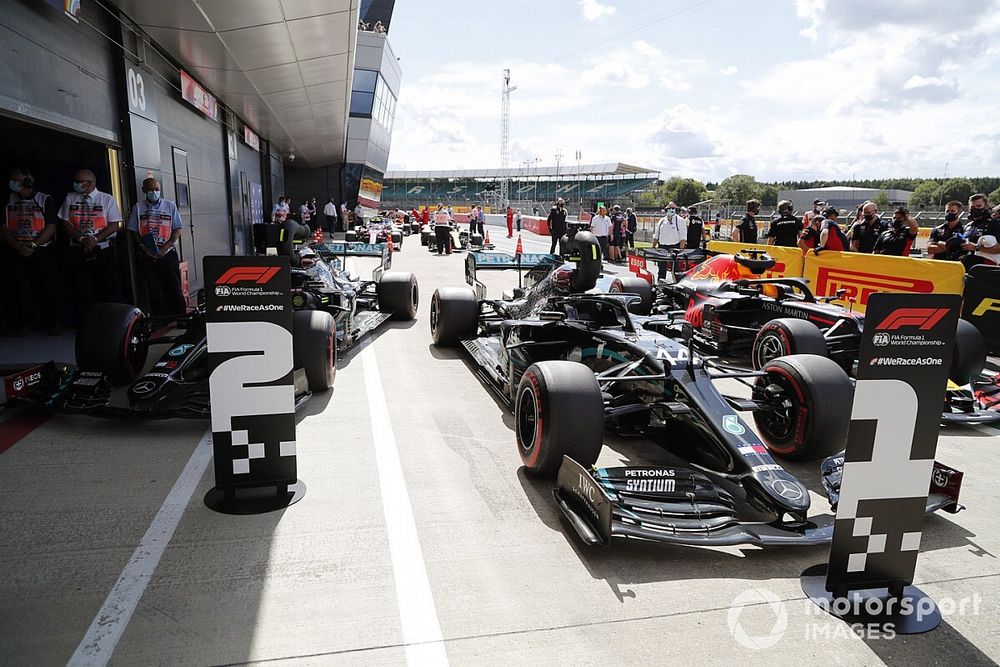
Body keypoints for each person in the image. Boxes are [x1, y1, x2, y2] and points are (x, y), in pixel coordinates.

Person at [58, 168, 123, 322]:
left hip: (103, 250)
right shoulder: (70, 198)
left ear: (91, 183)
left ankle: (108, 321)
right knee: (82, 287)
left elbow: (114, 224)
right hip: (78, 249)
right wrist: (81, 239)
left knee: (106, 287)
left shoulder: (106, 199)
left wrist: (95, 239)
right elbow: (65, 223)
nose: (76, 184)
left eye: (79, 182)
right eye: (75, 181)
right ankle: (86, 322)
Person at [2, 168, 60, 335]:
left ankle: (53, 322)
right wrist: (17, 246)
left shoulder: (44, 199)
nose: (13, 183)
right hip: (16, 249)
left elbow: (50, 227)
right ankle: (23, 323)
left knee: (47, 286)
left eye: (17, 180)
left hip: (41, 250)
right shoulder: (8, 200)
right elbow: (4, 228)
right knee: (20, 287)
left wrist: (32, 246)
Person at [126, 177, 185, 316]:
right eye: (151, 189)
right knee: (154, 288)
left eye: (157, 189)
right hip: (148, 254)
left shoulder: (170, 205)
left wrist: (165, 248)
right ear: (144, 190)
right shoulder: (138, 208)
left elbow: (177, 229)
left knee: (173, 286)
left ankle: (181, 316)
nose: (154, 192)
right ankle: (162, 317)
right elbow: (134, 230)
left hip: (168, 252)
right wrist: (143, 247)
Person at [961, 193, 1000, 268]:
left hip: (986, 269)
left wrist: (976, 247)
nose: (975, 209)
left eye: (978, 206)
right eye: (972, 207)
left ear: (986, 207)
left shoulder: (995, 224)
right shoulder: (967, 226)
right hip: (965, 266)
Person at [652, 203, 685, 280]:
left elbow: (683, 237)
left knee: (675, 269)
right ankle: (660, 284)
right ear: (666, 210)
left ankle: (677, 284)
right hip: (662, 247)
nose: (671, 210)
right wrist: (653, 247)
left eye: (673, 208)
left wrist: (680, 250)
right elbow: (656, 235)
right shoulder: (662, 220)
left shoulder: (680, 220)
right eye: (669, 208)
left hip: (675, 247)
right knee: (661, 268)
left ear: (676, 210)